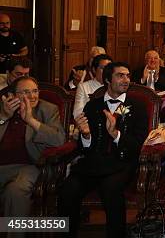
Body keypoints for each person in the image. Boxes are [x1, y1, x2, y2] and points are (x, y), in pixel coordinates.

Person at [59, 62, 149, 238]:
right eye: (120, 75)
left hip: (121, 164)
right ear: (107, 79)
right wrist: (85, 135)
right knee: (69, 188)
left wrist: (116, 134)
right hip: (93, 163)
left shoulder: (136, 107)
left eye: (128, 75)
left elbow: (138, 144)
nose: (126, 79)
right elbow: (84, 149)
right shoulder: (93, 106)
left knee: (111, 188)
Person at [0, 76, 65, 219]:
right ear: (12, 95)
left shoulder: (47, 110)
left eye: (35, 91)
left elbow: (59, 140)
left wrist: (31, 120)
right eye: (26, 92)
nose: (32, 96)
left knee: (15, 191)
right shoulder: (2, 108)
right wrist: (3, 117)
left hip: (28, 166)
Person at [73, 54, 113, 118]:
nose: (107, 72)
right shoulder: (84, 87)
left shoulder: (115, 86)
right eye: (103, 68)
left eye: (109, 69)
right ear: (94, 70)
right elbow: (77, 113)